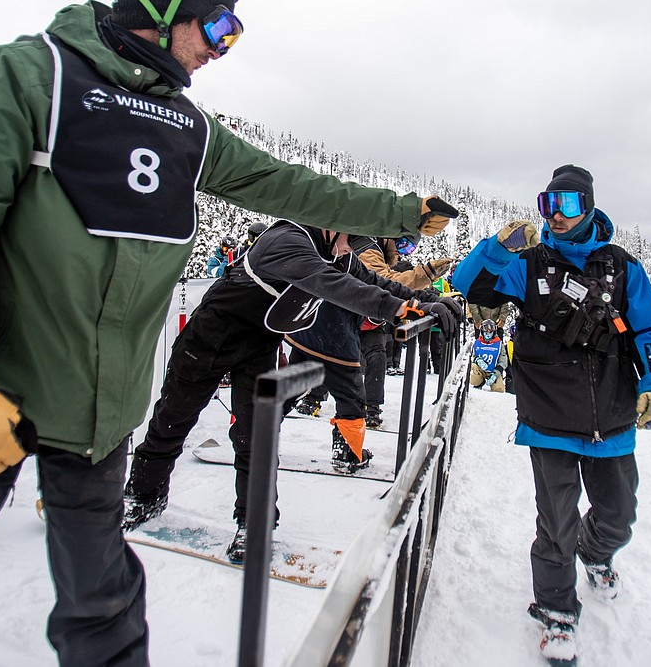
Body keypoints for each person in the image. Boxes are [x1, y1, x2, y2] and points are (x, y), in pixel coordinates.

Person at [0, 0, 459, 667]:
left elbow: (289, 184)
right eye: (219, 24)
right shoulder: (26, 78)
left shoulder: (185, 126)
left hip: (96, 410)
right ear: (162, 0)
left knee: (103, 609)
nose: (221, 47)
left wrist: (398, 215)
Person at [122, 221, 458, 561]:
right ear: (329, 227)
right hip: (213, 335)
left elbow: (373, 282)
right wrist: (400, 310)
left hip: (259, 344)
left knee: (256, 438)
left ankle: (254, 525)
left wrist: (427, 301)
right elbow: (332, 285)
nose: (347, 250)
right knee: (173, 419)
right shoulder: (288, 239)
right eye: (346, 241)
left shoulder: (337, 253)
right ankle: (143, 495)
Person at [451, 165, 651, 666]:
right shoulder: (528, 264)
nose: (556, 215)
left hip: (611, 413)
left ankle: (597, 554)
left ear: (589, 206)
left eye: (567, 205)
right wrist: (497, 247)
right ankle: (556, 613)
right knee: (556, 522)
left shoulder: (621, 267)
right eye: (548, 204)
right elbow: (470, 288)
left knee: (618, 516)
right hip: (547, 412)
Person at [350, 232, 453, 427]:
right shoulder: (369, 247)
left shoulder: (381, 252)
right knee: (338, 361)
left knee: (377, 358)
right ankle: (313, 398)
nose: (401, 251)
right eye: (402, 244)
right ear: (388, 237)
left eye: (409, 249)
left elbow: (390, 285)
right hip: (348, 315)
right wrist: (426, 276)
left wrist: (429, 298)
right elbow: (387, 281)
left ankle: (371, 407)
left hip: (369, 319)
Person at [469, 319, 509, 392]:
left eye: (490, 332)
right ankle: (479, 383)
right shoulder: (477, 343)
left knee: (499, 389)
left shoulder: (499, 344)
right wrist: (477, 360)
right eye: (486, 331)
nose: (488, 334)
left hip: (494, 371)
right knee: (474, 367)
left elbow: (503, 360)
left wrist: (496, 373)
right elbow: (472, 356)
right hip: (481, 369)